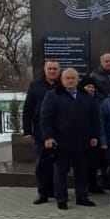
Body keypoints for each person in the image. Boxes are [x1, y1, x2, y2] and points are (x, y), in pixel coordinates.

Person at [40, 68, 99, 211]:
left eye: (74, 78)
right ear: (62, 80)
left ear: (78, 80)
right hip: (61, 142)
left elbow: (93, 118)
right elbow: (45, 118)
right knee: (60, 173)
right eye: (68, 78)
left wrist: (94, 135)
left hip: (82, 141)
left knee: (82, 172)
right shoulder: (53, 95)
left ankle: (82, 197)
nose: (71, 81)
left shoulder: (86, 96)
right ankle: (61, 199)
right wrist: (48, 137)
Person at [23, 58, 61, 205]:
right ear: (45, 69)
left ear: (59, 70)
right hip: (40, 133)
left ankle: (58, 192)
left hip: (60, 131)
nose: (52, 71)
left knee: (59, 165)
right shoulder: (35, 86)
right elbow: (28, 109)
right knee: (42, 164)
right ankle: (43, 193)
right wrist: (27, 130)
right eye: (49, 68)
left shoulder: (63, 85)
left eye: (55, 69)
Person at [79, 74, 106, 193]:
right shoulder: (79, 98)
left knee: (95, 163)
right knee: (83, 164)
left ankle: (94, 186)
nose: (90, 89)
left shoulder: (100, 100)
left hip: (97, 135)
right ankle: (83, 187)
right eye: (88, 87)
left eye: (92, 87)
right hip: (82, 136)